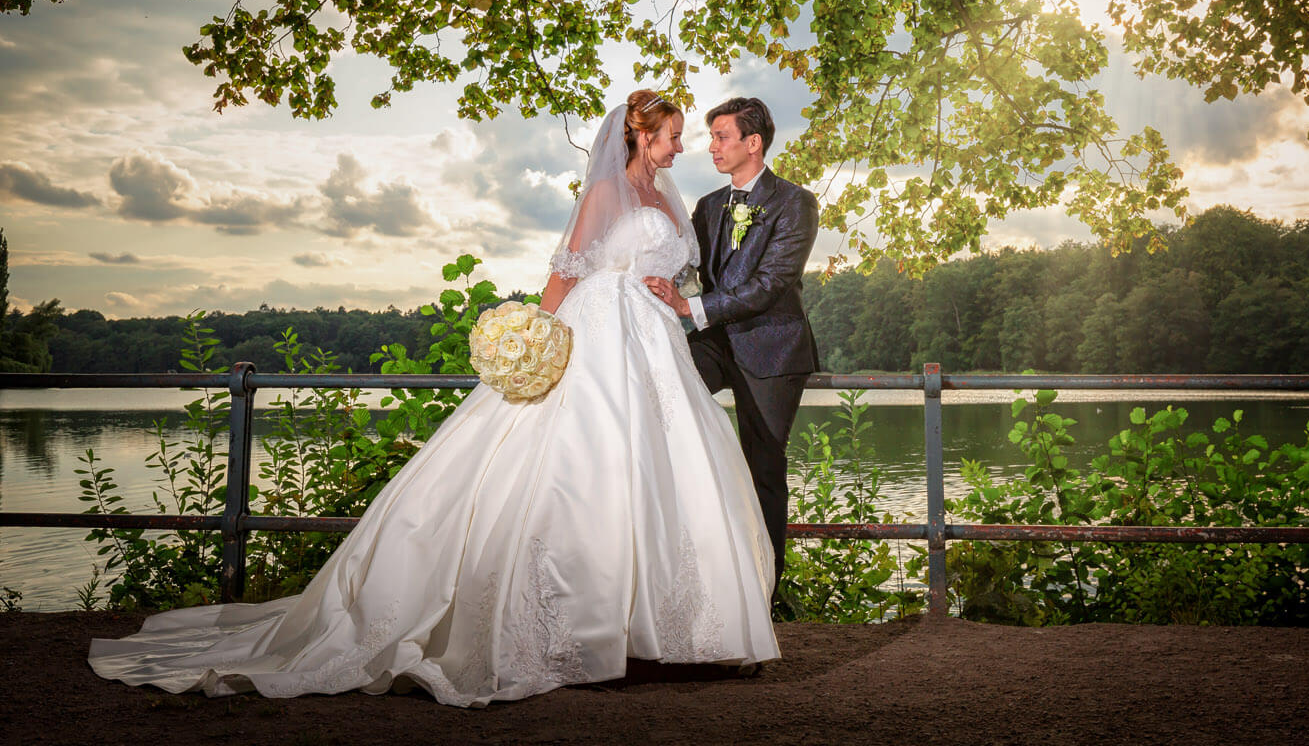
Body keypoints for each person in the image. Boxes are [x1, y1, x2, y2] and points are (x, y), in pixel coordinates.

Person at [88, 91, 779, 707]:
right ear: (638, 135)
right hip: (600, 331)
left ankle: (663, 627)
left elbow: (679, 275)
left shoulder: (668, 199)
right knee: (581, 463)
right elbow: (565, 271)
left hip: (656, 342)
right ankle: (583, 629)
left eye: (684, 135)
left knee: (664, 471)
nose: (680, 146)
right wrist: (536, 337)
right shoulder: (605, 195)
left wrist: (677, 299)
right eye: (670, 135)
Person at [643, 96, 819, 603]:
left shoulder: (795, 202)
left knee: (763, 467)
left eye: (721, 137)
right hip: (716, 344)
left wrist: (689, 308)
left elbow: (771, 283)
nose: (712, 147)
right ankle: (681, 569)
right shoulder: (710, 205)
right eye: (713, 137)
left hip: (774, 352)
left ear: (753, 143)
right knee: (658, 397)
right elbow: (683, 264)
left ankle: (763, 594)